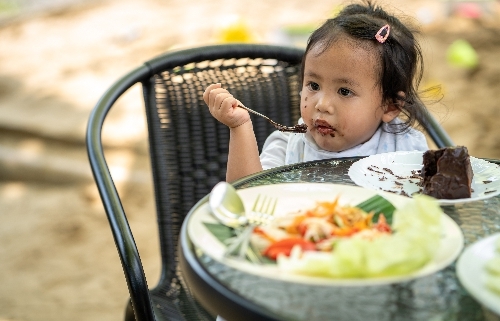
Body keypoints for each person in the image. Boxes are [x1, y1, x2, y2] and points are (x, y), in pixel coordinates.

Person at [203, 1, 429, 183]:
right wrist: (240, 126)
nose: (321, 104)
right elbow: (246, 197)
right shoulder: (289, 146)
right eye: (313, 85)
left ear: (389, 106)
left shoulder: (406, 151)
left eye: (344, 91)